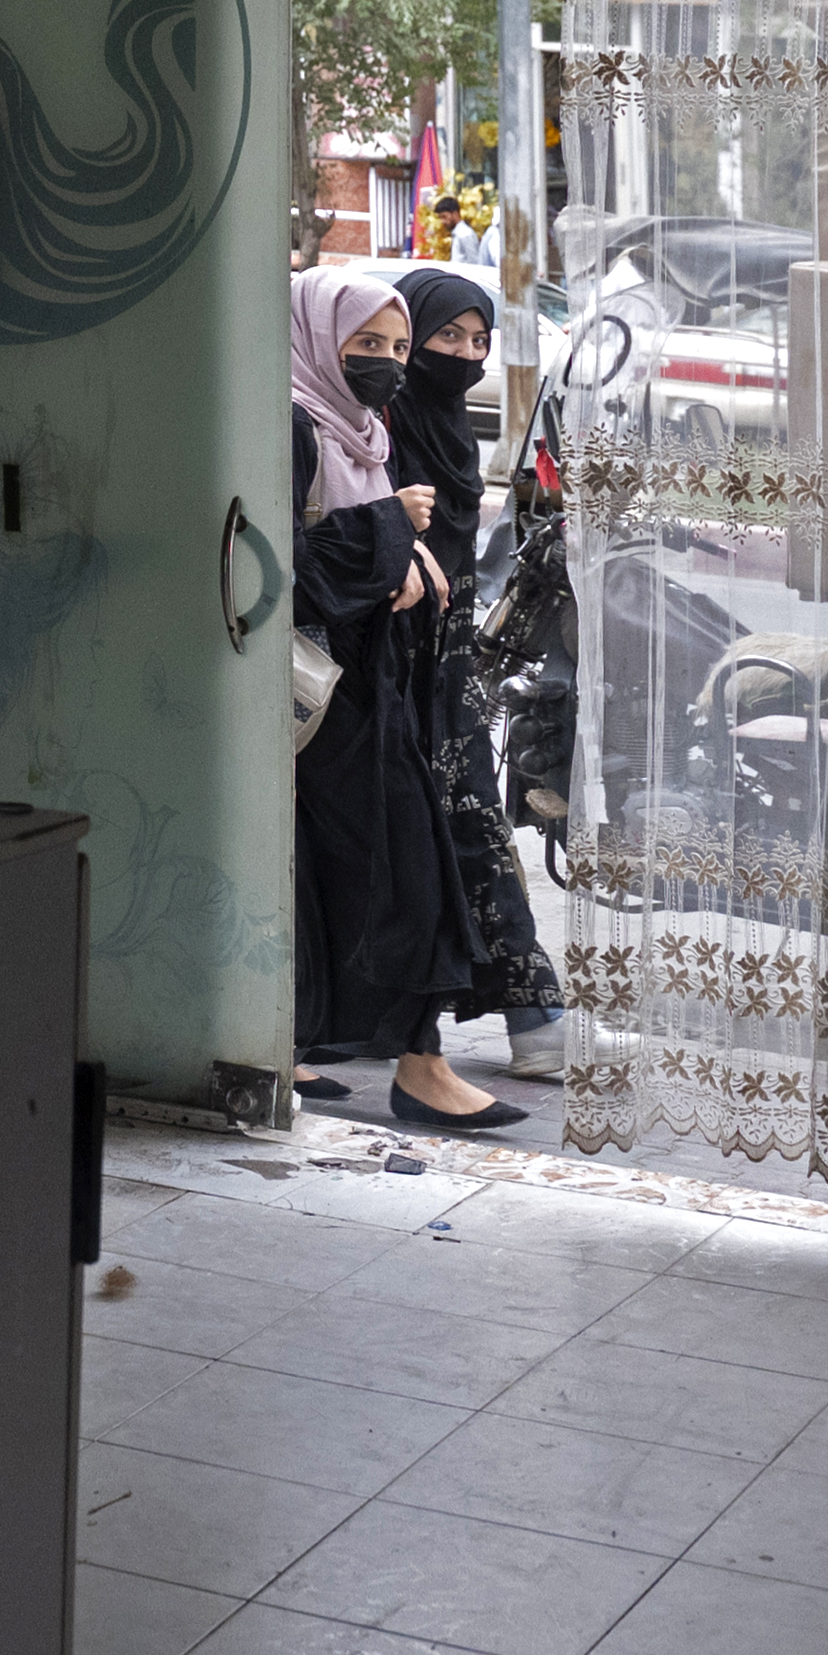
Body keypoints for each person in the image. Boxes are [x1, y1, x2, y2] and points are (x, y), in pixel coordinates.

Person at [287, 267, 525, 1130]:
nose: (387, 365)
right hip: (326, 699)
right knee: (378, 874)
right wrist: (395, 531)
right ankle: (401, 1064)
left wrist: (404, 542)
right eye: (369, 347)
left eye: (393, 347)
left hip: (372, 693)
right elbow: (287, 565)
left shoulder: (364, 435)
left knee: (393, 871)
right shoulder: (296, 425)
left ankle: (401, 1060)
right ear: (320, 341)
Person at [369, 265, 572, 1088]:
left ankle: (531, 1016)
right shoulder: (374, 427)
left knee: (467, 829)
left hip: (443, 667)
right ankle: (516, 1021)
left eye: (477, 340)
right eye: (445, 336)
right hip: (379, 667)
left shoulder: (453, 432)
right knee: (430, 837)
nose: (463, 353)